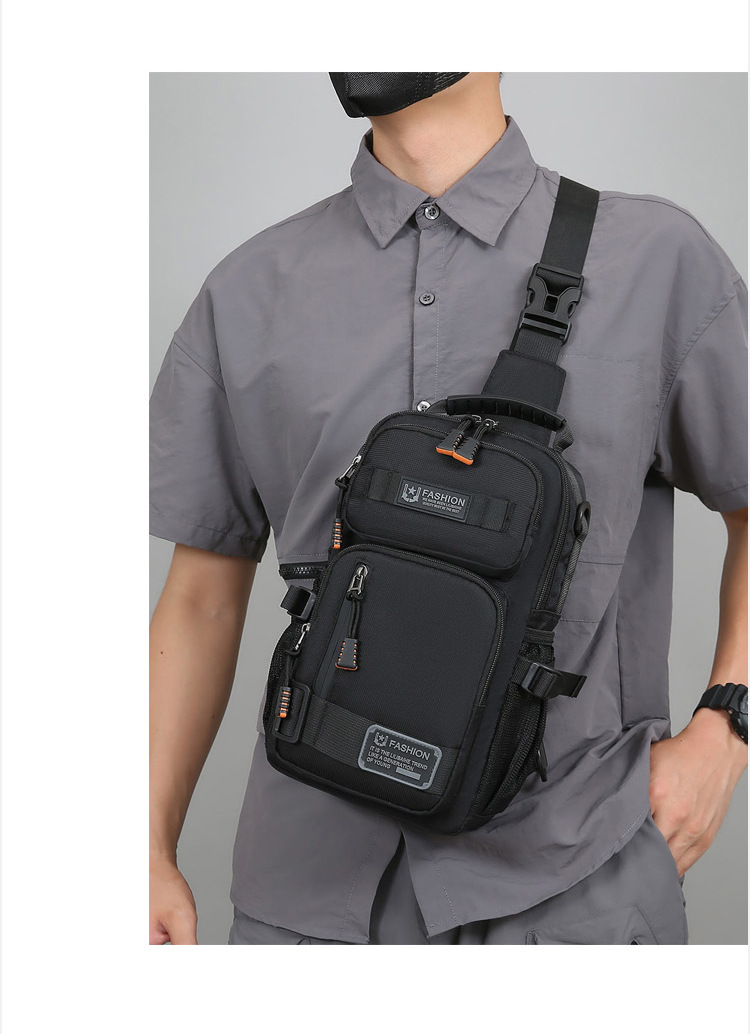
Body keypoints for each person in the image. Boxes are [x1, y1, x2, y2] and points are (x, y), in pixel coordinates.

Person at [149, 73, 747, 945]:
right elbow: (201, 595)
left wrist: (727, 725)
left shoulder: (658, 259)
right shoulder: (245, 290)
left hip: (577, 880)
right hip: (304, 902)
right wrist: (145, 842)